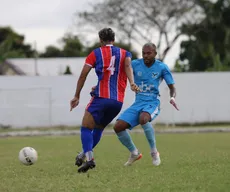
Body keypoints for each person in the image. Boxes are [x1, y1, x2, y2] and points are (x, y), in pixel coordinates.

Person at [70, 28, 139, 173]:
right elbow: (127, 66)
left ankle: (89, 159)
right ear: (114, 39)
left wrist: (76, 95)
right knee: (98, 128)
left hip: (101, 97)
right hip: (117, 102)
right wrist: (132, 82)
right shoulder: (125, 53)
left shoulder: (95, 53)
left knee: (86, 127)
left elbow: (83, 76)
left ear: (100, 40)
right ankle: (83, 154)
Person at [113, 43, 179, 166]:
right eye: (143, 53)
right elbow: (120, 73)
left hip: (152, 102)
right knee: (118, 127)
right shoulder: (135, 64)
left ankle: (154, 152)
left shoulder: (162, 67)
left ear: (155, 53)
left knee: (143, 118)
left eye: (149, 53)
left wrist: (172, 97)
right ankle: (134, 153)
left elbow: (172, 87)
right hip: (138, 103)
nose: (145, 55)